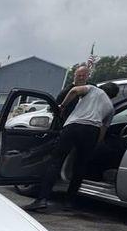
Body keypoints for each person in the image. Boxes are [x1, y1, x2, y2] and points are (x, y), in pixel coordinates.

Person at [23, 81, 119, 213]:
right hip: (92, 132)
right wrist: (93, 146)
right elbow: (102, 131)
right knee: (80, 166)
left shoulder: (92, 89)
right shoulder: (110, 108)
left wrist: (62, 106)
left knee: (56, 162)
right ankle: (69, 202)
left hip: (74, 126)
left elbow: (74, 91)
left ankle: (42, 199)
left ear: (102, 88)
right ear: (113, 96)